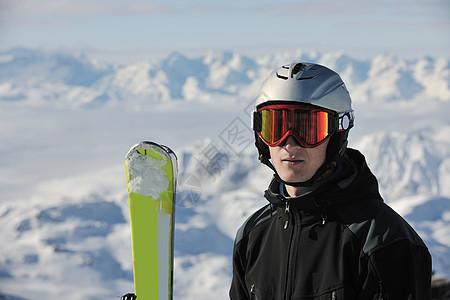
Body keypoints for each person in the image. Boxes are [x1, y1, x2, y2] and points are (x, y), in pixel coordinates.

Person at [229, 62, 432, 299]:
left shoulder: (384, 242)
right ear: (261, 137)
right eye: (276, 127)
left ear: (337, 134)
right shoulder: (252, 236)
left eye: (308, 129)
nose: (289, 143)